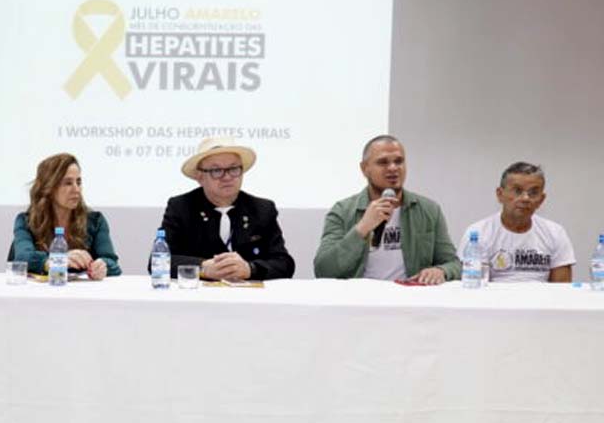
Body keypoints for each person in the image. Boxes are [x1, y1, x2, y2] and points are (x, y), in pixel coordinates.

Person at [314, 135, 460, 284]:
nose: (393, 168)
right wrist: (362, 228)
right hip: (361, 296)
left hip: (410, 294)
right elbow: (323, 270)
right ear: (364, 169)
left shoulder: (429, 210)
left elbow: (454, 264)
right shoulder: (342, 211)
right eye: (383, 162)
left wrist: (441, 271)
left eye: (399, 161)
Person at [156, 137, 295, 280]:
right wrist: (203, 268)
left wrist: (250, 269)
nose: (227, 177)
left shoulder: (262, 209)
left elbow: (284, 264)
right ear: (199, 177)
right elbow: (158, 261)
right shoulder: (181, 207)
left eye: (233, 169)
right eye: (216, 170)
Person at [8, 153, 121, 280]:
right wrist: (57, 261)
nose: (76, 189)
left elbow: (113, 263)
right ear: (49, 188)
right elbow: (22, 257)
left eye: (78, 182)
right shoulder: (26, 221)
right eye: (68, 183)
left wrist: (102, 266)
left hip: (83, 291)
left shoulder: (95, 221)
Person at [458, 162, 574, 283]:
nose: (525, 198)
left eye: (533, 193)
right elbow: (473, 284)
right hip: (494, 295)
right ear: (500, 194)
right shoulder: (478, 233)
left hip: (540, 295)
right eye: (517, 191)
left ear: (541, 199)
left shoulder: (555, 233)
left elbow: (562, 288)